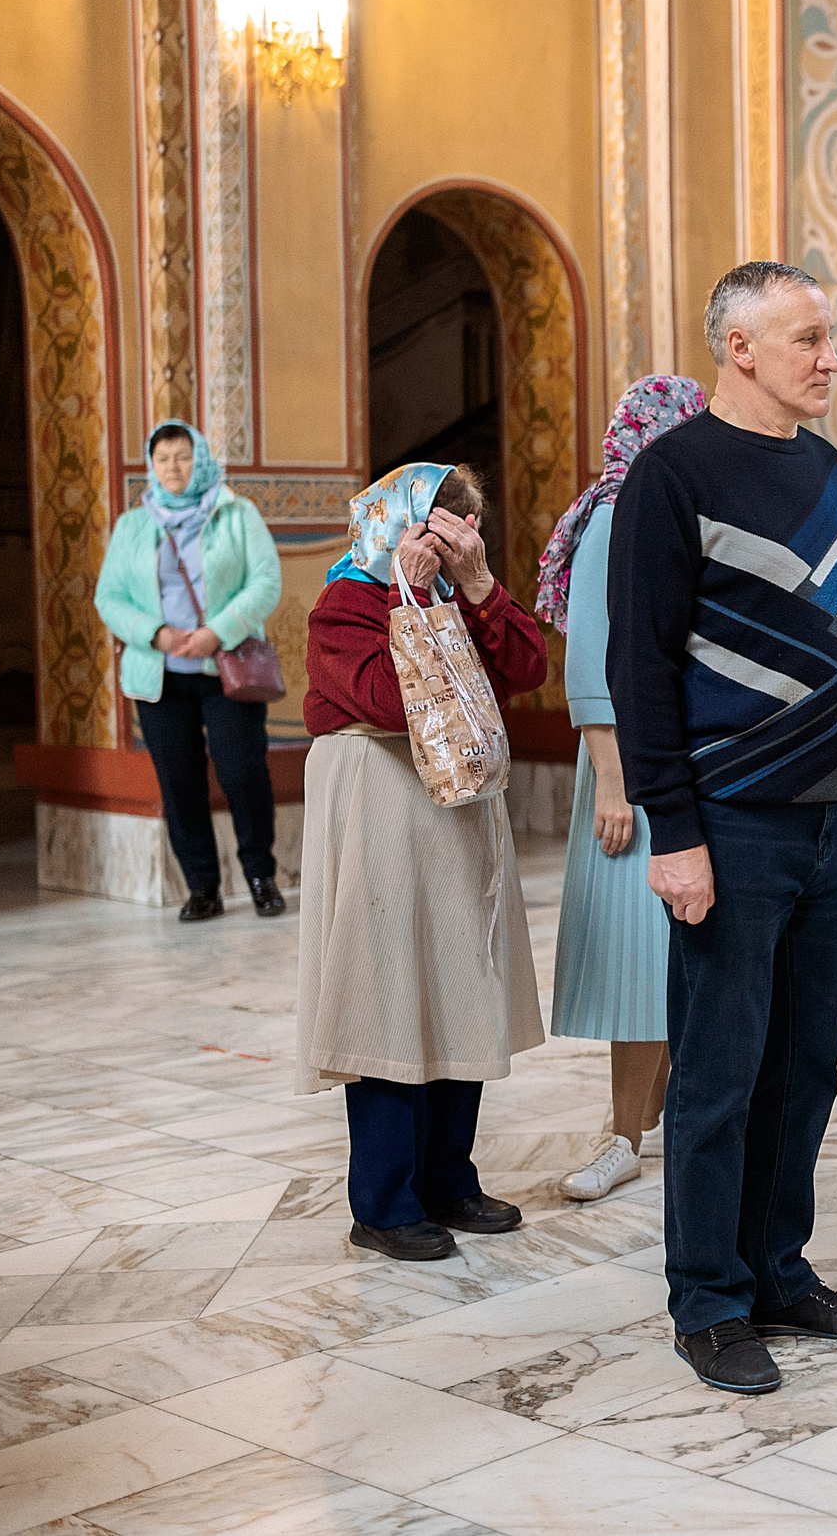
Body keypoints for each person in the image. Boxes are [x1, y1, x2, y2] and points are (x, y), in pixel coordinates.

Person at [608, 260, 837, 1397]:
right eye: (808, 339)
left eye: (829, 339)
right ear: (739, 347)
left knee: (807, 1065)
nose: (830, 357)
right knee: (722, 1071)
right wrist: (672, 829)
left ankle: (778, 1265)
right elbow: (641, 663)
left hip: (834, 818)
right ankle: (709, 1298)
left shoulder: (830, 468)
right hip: (730, 819)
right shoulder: (671, 477)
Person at [297, 463, 546, 1261]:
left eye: (465, 529)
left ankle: (449, 1177)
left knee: (457, 984)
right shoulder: (348, 599)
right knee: (388, 992)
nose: (453, 542)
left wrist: (479, 592)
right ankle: (383, 1201)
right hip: (378, 794)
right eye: (439, 526)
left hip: (458, 806)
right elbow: (381, 699)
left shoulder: (459, 596)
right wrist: (411, 599)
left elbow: (529, 669)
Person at [534, 375, 708, 1202]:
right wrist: (613, 783)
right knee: (636, 963)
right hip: (627, 771)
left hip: (672, 759)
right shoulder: (616, 510)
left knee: (675, 952)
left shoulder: (671, 503)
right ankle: (621, 1132)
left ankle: (658, 1116)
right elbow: (592, 652)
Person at [93, 420, 284, 922]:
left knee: (242, 773)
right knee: (178, 781)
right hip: (159, 676)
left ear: (199, 459)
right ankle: (202, 886)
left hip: (226, 668)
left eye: (183, 457)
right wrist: (154, 631)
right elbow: (108, 596)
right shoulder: (133, 526)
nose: (174, 468)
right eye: (163, 459)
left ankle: (261, 875)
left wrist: (215, 632)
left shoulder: (237, 513)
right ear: (151, 467)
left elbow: (265, 581)